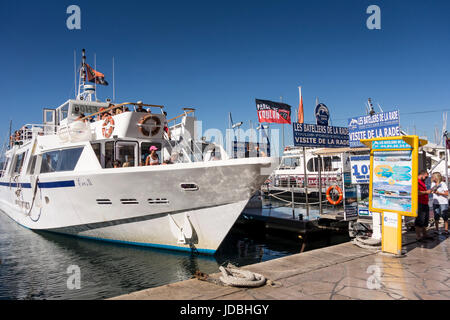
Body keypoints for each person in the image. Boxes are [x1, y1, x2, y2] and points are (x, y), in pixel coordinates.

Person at [417, 170, 433, 241]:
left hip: (425, 203)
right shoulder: (416, 181)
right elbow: (416, 192)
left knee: (425, 220)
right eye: (426, 177)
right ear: (422, 174)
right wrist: (426, 192)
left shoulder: (422, 182)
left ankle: (424, 234)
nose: (426, 178)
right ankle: (418, 236)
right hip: (419, 203)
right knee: (419, 220)